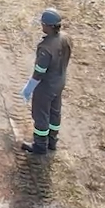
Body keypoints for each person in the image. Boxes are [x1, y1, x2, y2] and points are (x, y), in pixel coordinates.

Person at [20, 8, 74, 155]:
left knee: (41, 115)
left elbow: (39, 72)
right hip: (59, 82)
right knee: (55, 113)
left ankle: (40, 145)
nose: (41, 26)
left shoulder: (45, 48)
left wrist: (29, 88)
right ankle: (52, 141)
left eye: (43, 24)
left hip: (46, 87)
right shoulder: (66, 38)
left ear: (49, 26)